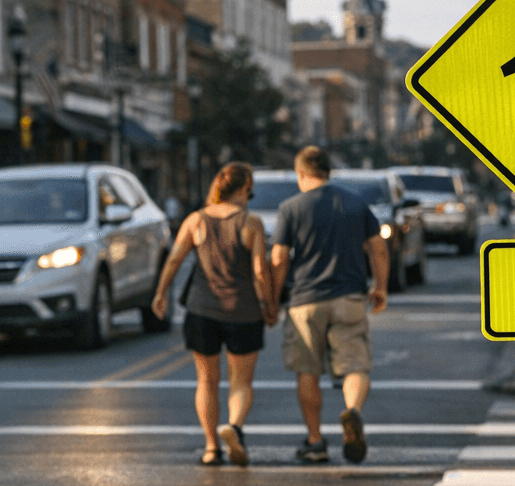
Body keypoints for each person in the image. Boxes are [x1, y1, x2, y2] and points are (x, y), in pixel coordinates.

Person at [151, 162, 275, 466]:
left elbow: (174, 260)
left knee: (206, 381)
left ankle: (210, 447)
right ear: (245, 189)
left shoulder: (196, 220)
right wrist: (269, 304)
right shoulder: (251, 222)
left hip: (201, 310)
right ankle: (233, 428)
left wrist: (160, 293)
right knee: (241, 382)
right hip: (244, 311)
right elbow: (260, 270)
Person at [270, 145, 388, 465]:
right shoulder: (355, 203)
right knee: (355, 365)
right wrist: (380, 287)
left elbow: (279, 257)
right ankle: (352, 411)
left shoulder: (290, 208)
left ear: (301, 174)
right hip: (349, 296)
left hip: (305, 301)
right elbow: (378, 248)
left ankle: (315, 440)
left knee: (307, 370)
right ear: (328, 172)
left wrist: (272, 298)